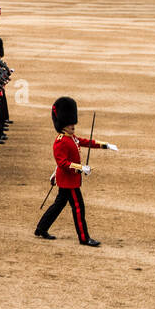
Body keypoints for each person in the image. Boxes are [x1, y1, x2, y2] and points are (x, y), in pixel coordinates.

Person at [33, 96, 117, 246]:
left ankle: (41, 228)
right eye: (70, 123)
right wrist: (80, 168)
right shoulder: (60, 141)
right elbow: (63, 163)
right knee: (78, 208)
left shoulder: (71, 137)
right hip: (68, 181)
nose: (73, 125)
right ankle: (84, 238)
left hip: (70, 180)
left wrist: (105, 145)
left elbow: (86, 142)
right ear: (63, 125)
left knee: (59, 205)